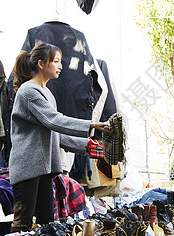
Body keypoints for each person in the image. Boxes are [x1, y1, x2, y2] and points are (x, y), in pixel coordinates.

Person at [9, 43, 111, 232]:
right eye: (55, 61)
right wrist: (91, 125)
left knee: (48, 223)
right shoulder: (28, 92)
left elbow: (56, 133)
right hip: (27, 168)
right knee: (22, 225)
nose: (60, 66)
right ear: (41, 64)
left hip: (44, 169)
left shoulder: (47, 94)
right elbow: (55, 120)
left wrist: (89, 146)